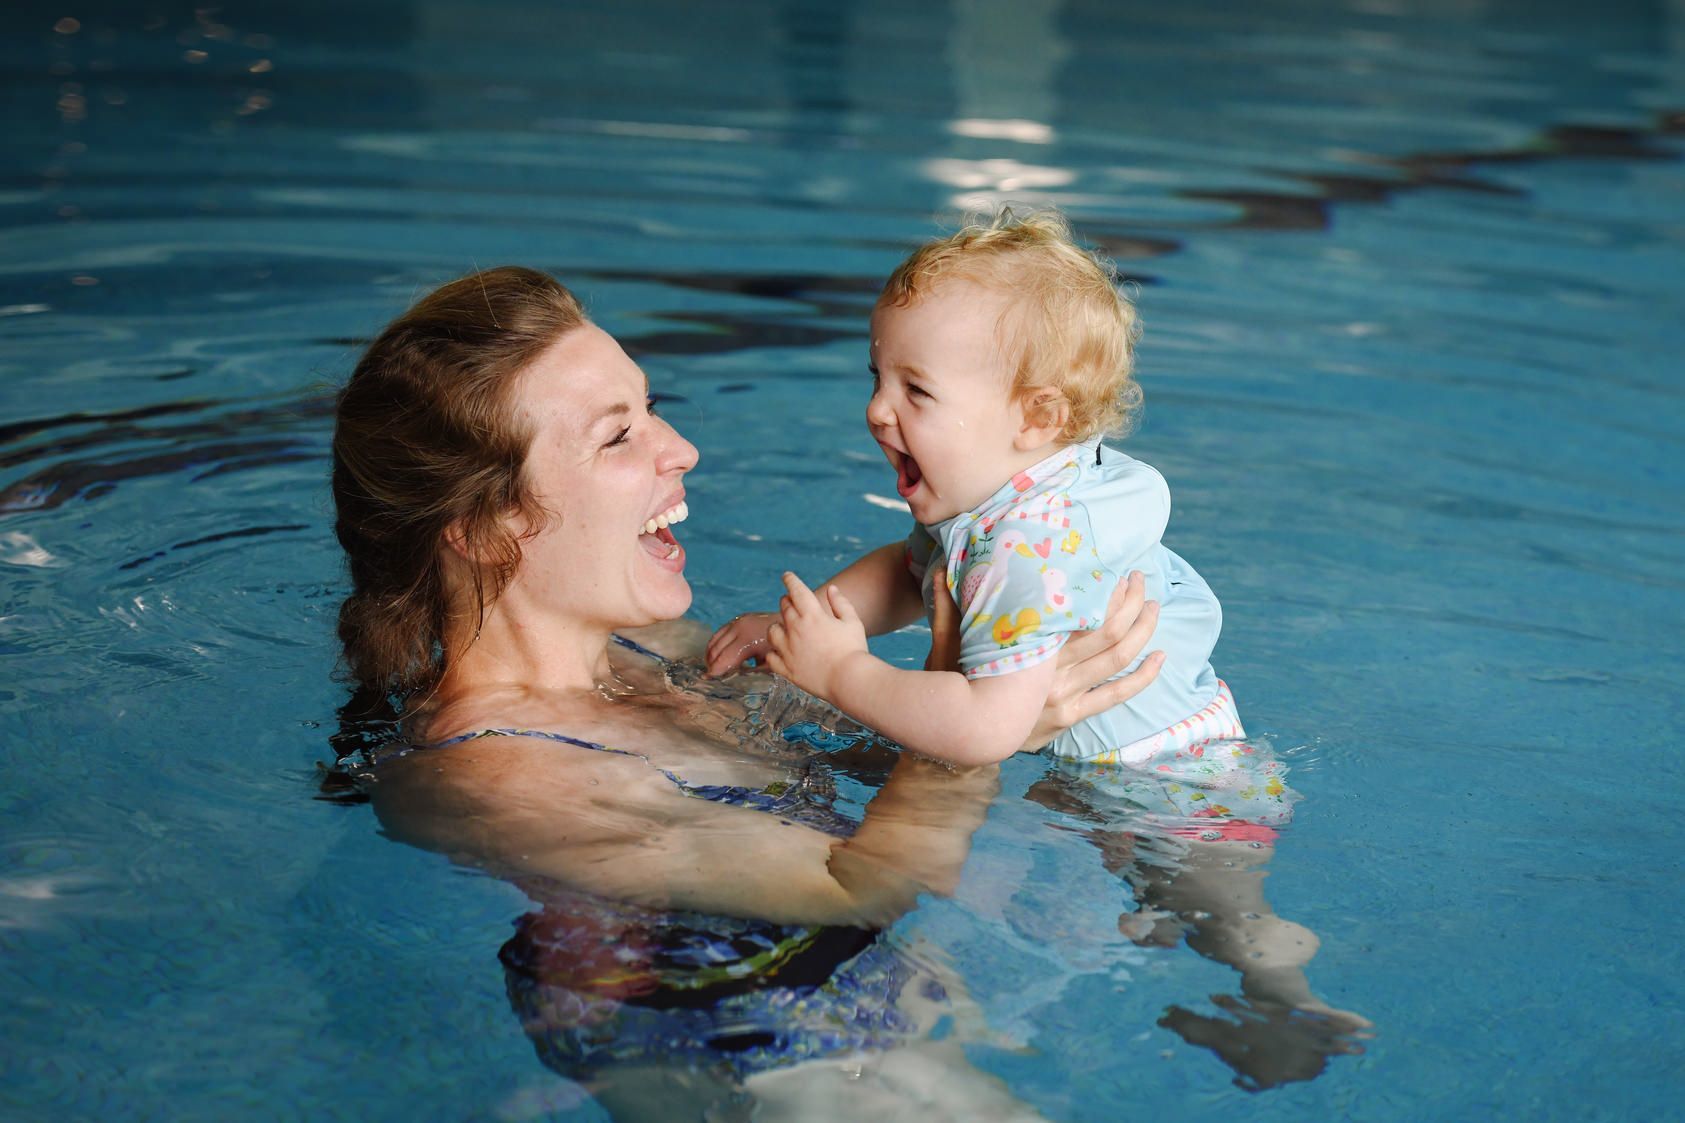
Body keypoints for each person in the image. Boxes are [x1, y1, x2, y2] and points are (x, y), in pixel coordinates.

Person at [329, 265, 1169, 1119]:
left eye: (651, 406)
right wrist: (984, 715)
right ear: (479, 525)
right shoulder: (497, 771)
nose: (680, 449)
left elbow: (856, 753)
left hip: (858, 1004)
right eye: (619, 436)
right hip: (751, 1056)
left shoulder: (646, 649)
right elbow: (865, 883)